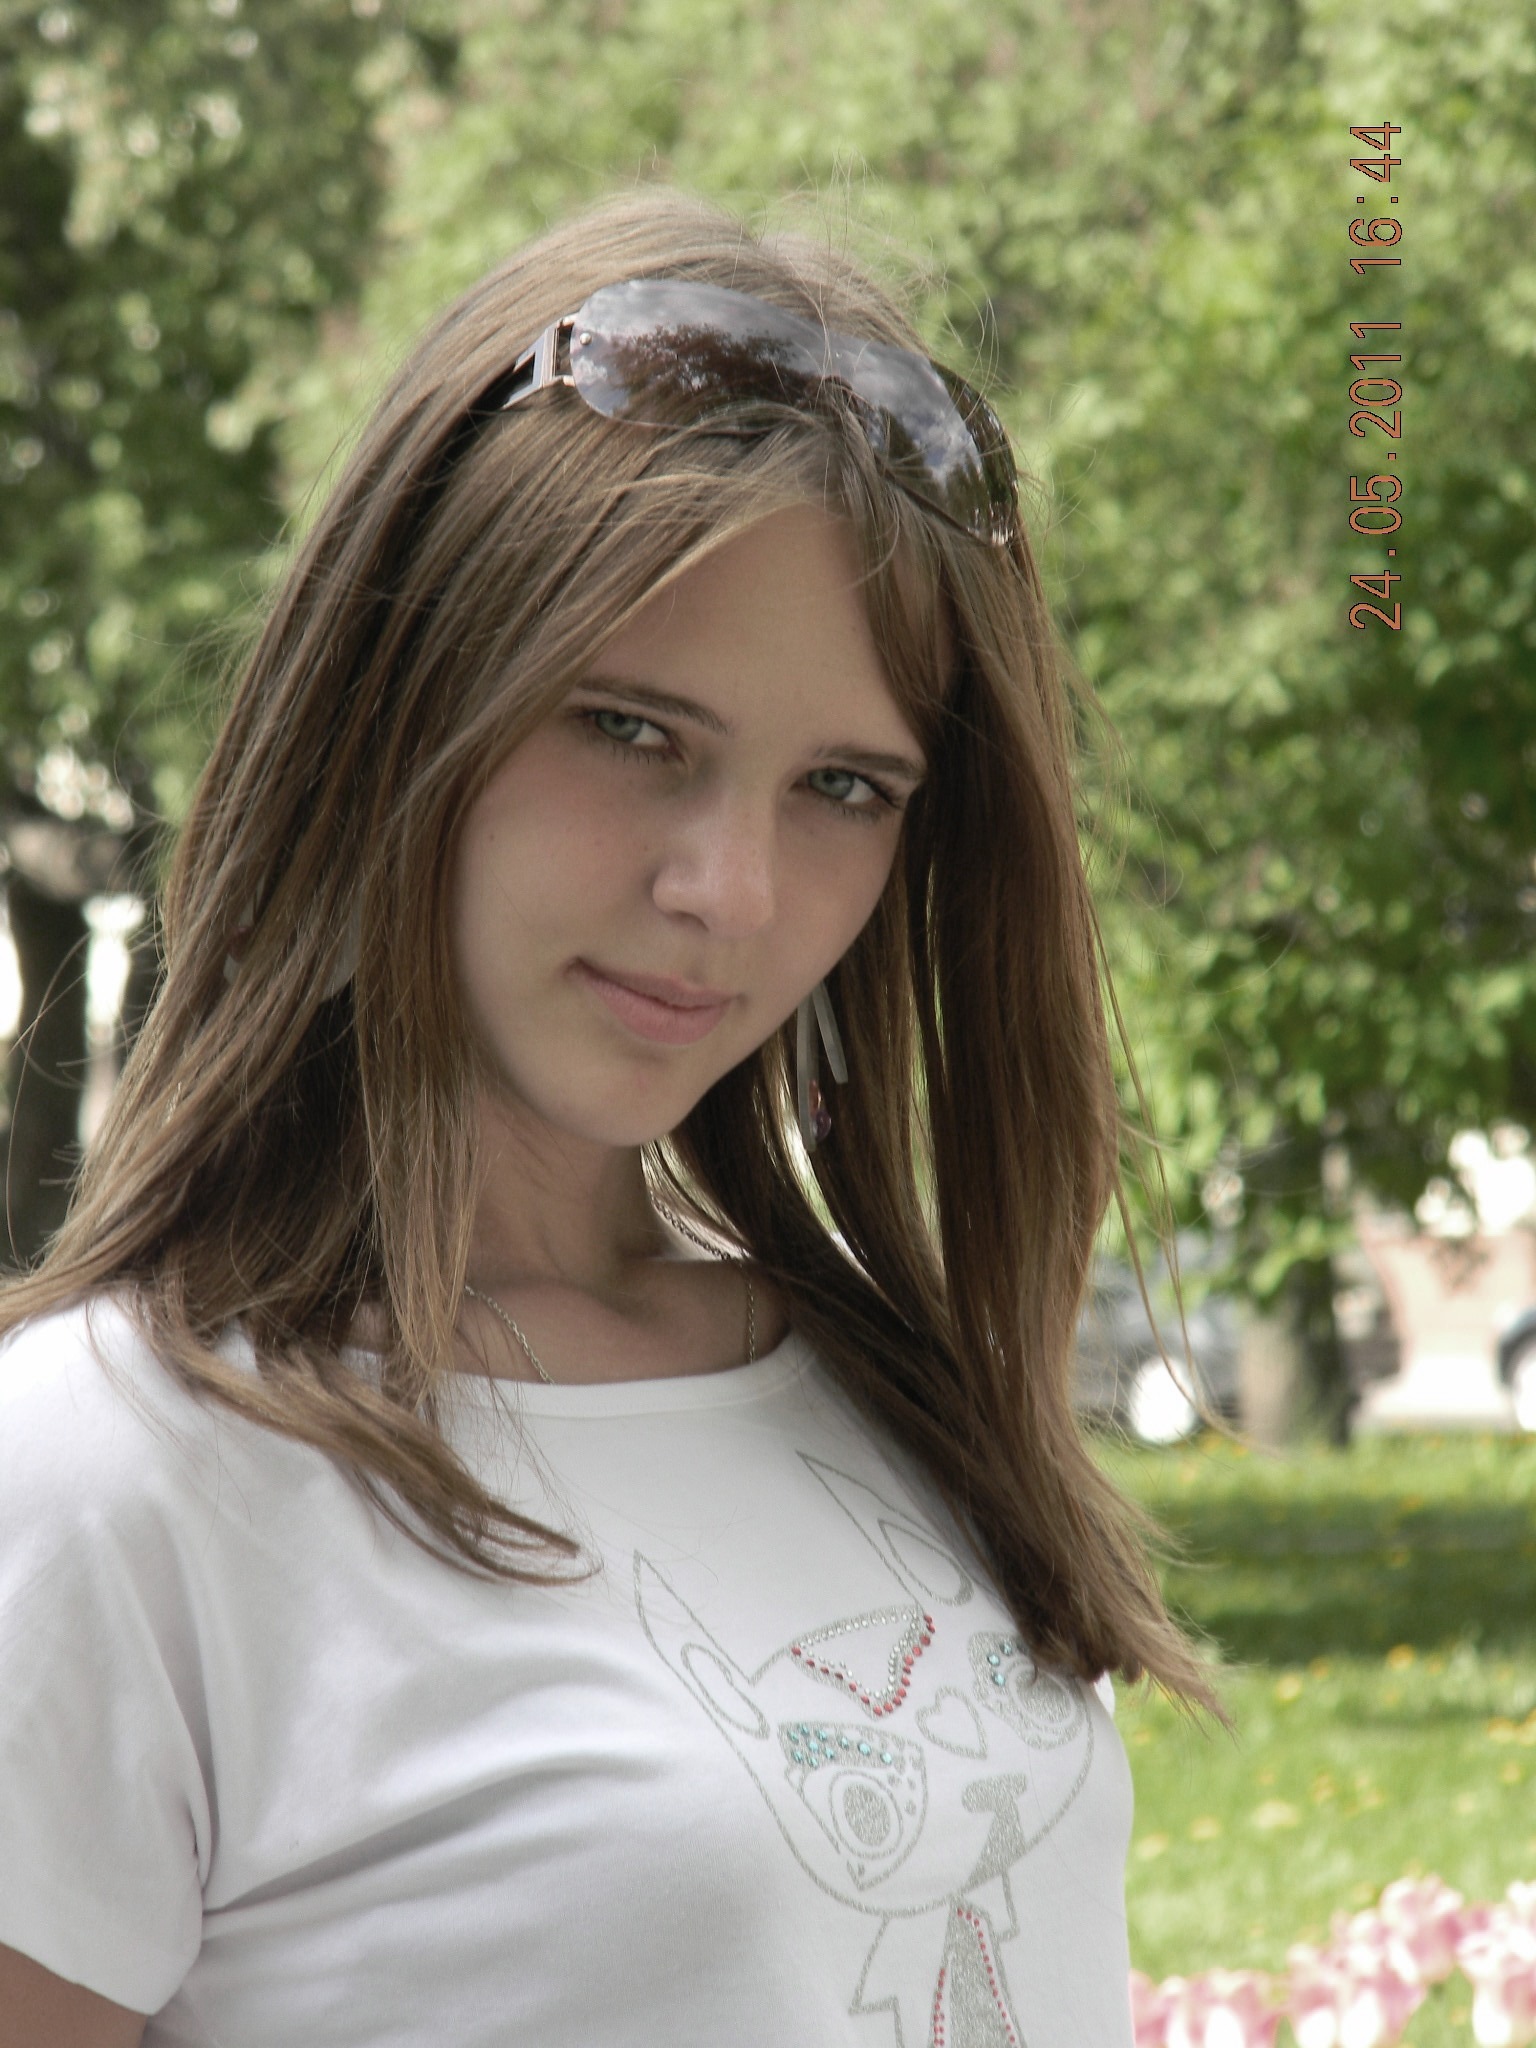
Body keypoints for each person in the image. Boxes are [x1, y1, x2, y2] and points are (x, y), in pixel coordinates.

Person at [0, 186, 1212, 2047]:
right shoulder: (98, 1479)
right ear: (392, 712)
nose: (731, 889)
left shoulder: (883, 1387)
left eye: (844, 785)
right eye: (631, 730)